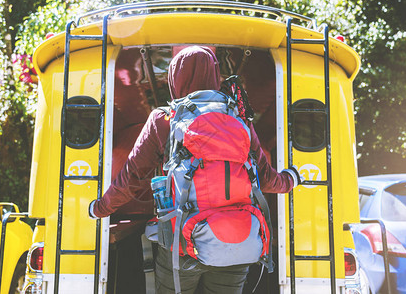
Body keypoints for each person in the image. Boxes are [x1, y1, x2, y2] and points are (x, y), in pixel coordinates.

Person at [89, 46, 300, 294]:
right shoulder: (239, 118)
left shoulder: (165, 118)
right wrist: (291, 179)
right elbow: (266, 179)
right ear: (214, 75)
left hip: (182, 242)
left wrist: (100, 208)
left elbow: (132, 177)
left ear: (175, 78)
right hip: (238, 240)